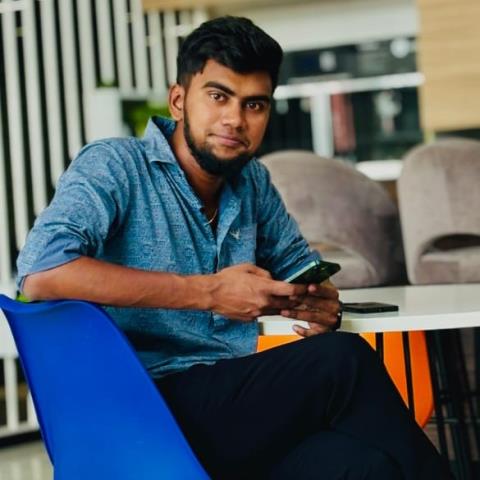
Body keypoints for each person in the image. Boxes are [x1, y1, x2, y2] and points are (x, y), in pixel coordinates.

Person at [17, 16, 450, 480]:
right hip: (140, 404)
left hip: (227, 407)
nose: (235, 120)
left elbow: (297, 266)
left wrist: (317, 299)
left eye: (254, 105)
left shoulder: (251, 182)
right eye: (218, 96)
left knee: (362, 465)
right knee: (343, 362)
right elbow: (43, 272)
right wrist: (208, 292)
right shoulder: (115, 164)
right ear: (179, 100)